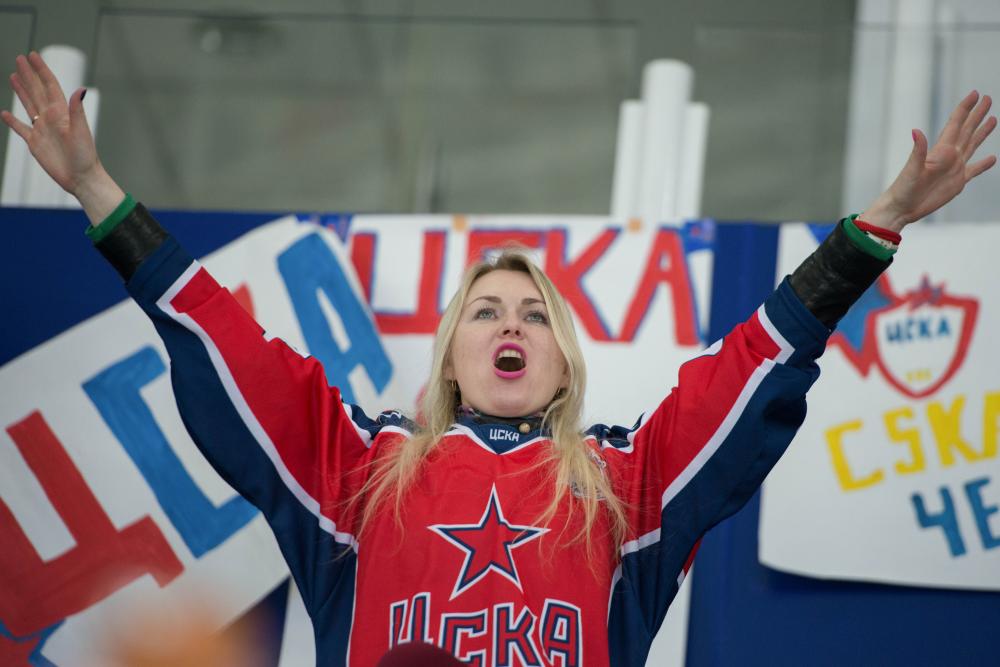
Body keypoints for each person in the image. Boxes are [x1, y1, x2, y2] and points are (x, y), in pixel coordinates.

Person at [3, 50, 995, 666]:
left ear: (562, 364)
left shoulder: (624, 485)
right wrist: (97, 192)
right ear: (450, 358)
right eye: (483, 311)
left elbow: (751, 364)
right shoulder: (359, 470)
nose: (509, 324)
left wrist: (877, 226)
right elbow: (222, 339)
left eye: (533, 314)